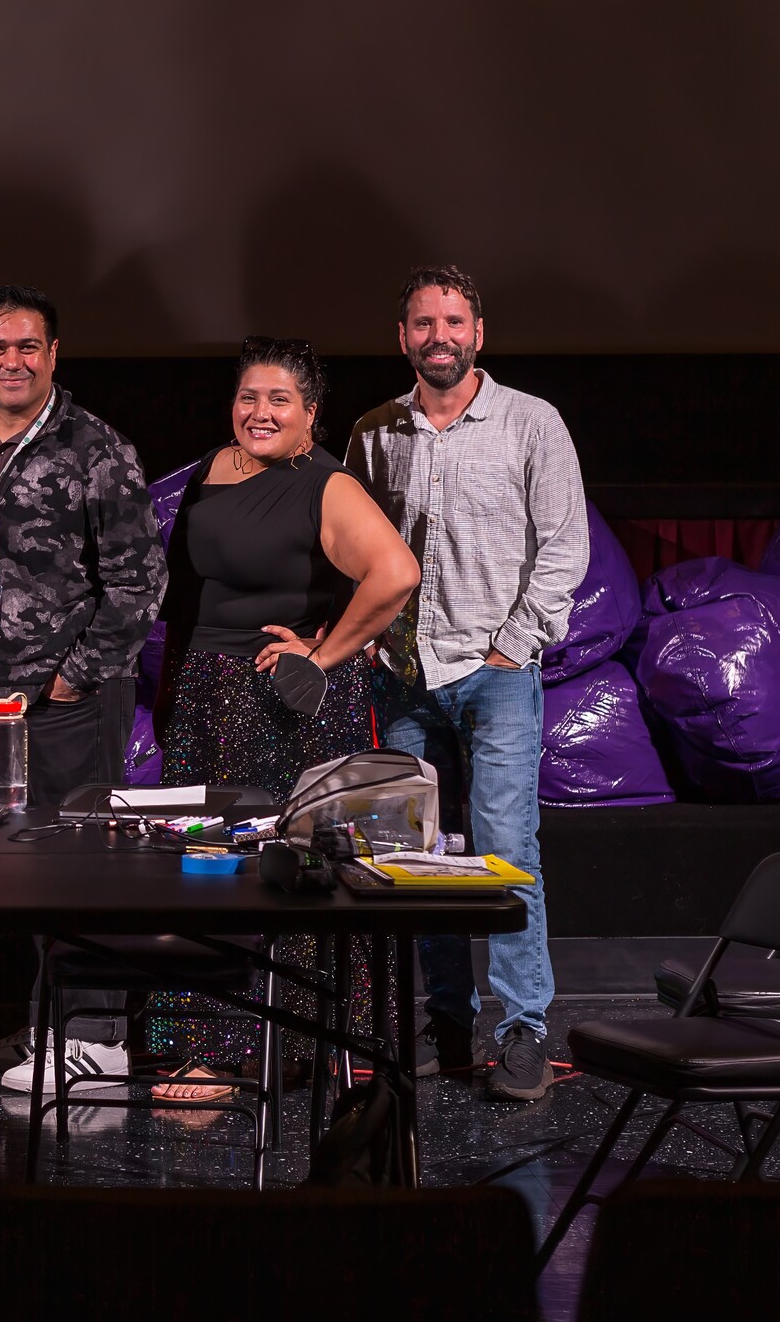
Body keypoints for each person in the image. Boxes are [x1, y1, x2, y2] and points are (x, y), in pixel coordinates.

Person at [148, 336, 419, 1099]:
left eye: (278, 401)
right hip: (207, 686)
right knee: (197, 865)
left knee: (277, 874)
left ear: (310, 416)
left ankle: (282, 1046)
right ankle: (203, 1047)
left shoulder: (323, 483)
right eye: (248, 397)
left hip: (277, 701)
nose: (258, 413)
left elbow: (396, 571)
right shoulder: (212, 467)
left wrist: (321, 655)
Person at [0, 283, 167, 1095]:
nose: (12, 361)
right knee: (20, 868)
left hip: (68, 700)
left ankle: (95, 1043)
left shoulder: (97, 449)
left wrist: (73, 675)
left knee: (81, 862)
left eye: (29, 347)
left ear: (54, 356)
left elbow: (139, 584)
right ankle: (46, 1025)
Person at [347, 265, 588, 1101]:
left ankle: (521, 1031)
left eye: (453, 320)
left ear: (478, 332)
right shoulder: (375, 432)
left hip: (496, 674)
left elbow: (564, 548)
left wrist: (512, 647)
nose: (438, 335)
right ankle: (445, 1021)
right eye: (422, 323)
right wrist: (373, 641)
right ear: (403, 338)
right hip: (407, 677)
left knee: (506, 853)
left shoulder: (533, 423)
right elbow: (355, 550)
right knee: (419, 858)